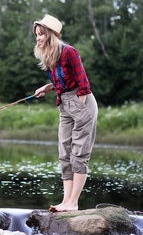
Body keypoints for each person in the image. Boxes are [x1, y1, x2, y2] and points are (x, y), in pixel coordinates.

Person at [32, 14, 98, 212]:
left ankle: (73, 202)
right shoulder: (49, 55)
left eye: (41, 34)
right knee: (64, 153)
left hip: (81, 102)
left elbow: (83, 83)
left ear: (51, 34)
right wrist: (47, 88)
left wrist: (79, 103)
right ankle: (66, 200)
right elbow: (62, 82)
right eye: (36, 35)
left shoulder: (69, 52)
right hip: (64, 103)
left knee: (79, 152)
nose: (38, 38)